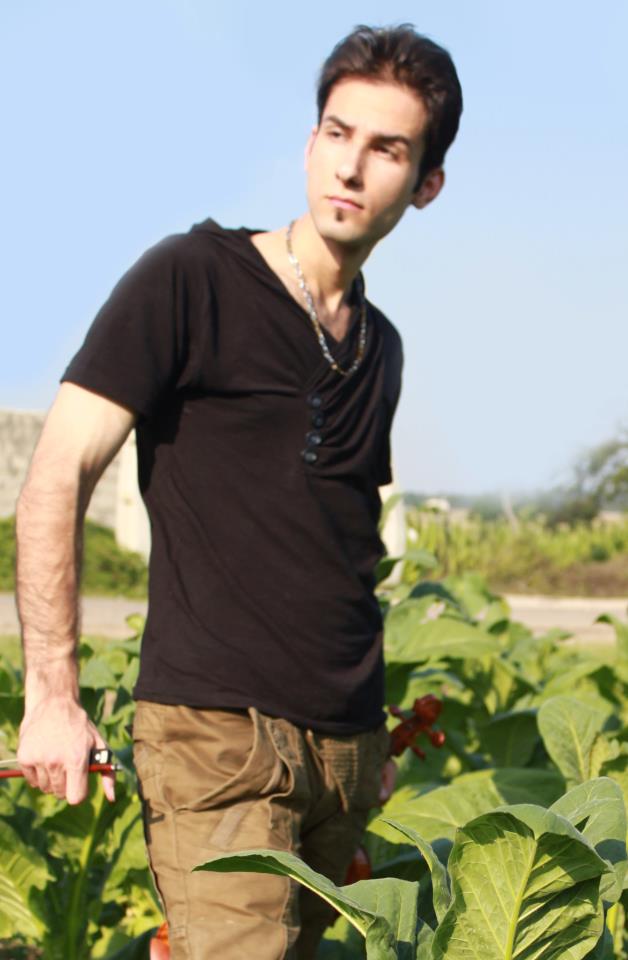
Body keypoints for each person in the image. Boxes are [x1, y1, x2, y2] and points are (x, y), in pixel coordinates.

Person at [15, 23, 462, 960]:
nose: (351, 166)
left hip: (345, 754)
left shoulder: (381, 346)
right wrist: (52, 693)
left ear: (426, 185)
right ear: (309, 144)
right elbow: (58, 471)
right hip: (216, 735)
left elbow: (346, 542)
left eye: (387, 149)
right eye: (337, 134)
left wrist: (370, 734)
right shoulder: (191, 279)